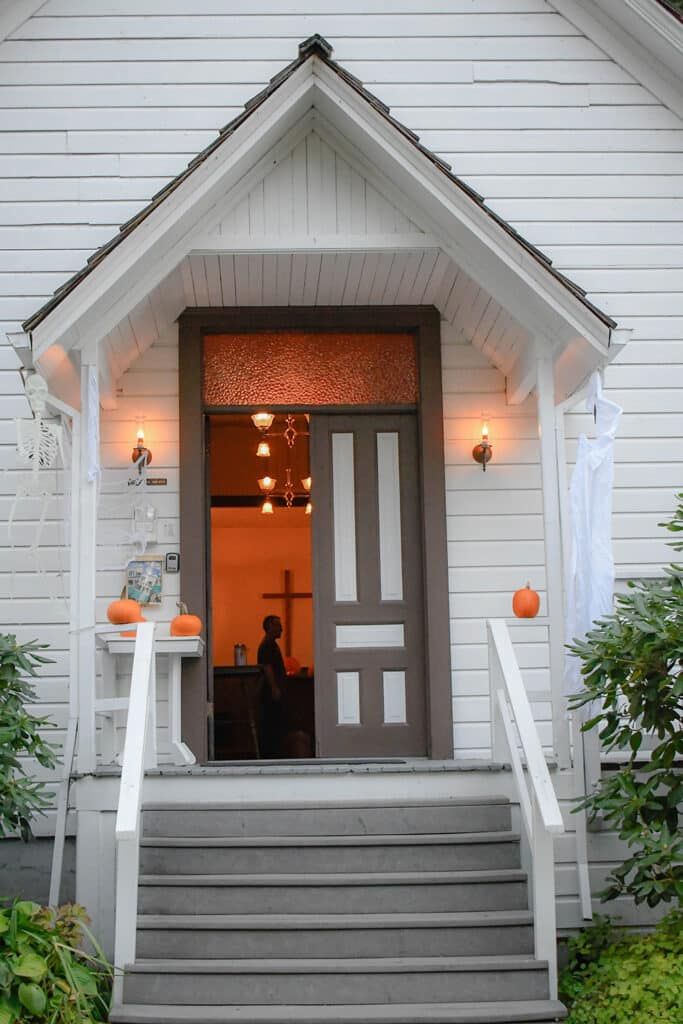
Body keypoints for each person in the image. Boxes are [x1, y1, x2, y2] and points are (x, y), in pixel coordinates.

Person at [257, 614, 286, 757]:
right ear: (270, 627)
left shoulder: (271, 644)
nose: (281, 629)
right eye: (278, 625)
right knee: (272, 724)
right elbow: (268, 667)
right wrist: (274, 688)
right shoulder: (267, 645)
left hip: (273, 691)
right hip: (270, 693)